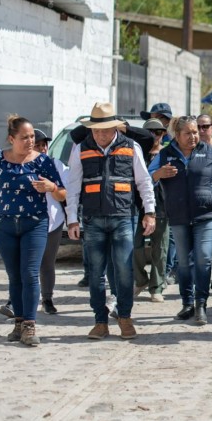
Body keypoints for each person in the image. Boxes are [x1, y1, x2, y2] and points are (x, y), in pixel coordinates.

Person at [66, 103, 157, 341]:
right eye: (96, 130)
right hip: (93, 219)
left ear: (116, 127)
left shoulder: (131, 146)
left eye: (105, 129)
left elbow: (144, 182)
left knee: (124, 271)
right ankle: (100, 321)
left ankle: (125, 318)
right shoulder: (80, 149)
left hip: (124, 216)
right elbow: (73, 186)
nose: (101, 134)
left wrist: (150, 212)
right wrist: (72, 219)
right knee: (95, 273)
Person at [0, 115, 66, 346]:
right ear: (12, 139)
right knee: (14, 275)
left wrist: (51, 187)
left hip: (35, 223)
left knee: (30, 273)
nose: (30, 141)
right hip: (4, 226)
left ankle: (30, 326)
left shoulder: (43, 162)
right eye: (25, 137)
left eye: (32, 136)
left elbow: (62, 194)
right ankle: (18, 324)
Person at [149, 116, 212, 324]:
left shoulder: (210, 152)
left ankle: (201, 303)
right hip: (179, 216)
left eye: (196, 132)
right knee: (183, 262)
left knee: (203, 257)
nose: (193, 136)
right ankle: (187, 303)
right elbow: (145, 179)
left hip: (206, 214)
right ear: (177, 135)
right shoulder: (165, 155)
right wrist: (158, 174)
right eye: (188, 133)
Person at [132, 119, 169, 303]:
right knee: (134, 244)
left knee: (160, 248)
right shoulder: (136, 153)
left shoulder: (167, 154)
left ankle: (157, 286)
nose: (155, 135)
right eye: (151, 132)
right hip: (137, 206)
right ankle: (140, 279)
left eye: (159, 132)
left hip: (162, 206)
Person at [33, 128, 68, 315]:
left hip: (53, 222)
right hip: (28, 222)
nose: (42, 148)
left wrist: (51, 187)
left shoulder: (57, 165)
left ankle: (47, 298)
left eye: (44, 145)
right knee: (27, 264)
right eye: (38, 145)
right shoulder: (22, 165)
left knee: (47, 263)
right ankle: (15, 300)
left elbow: (64, 195)